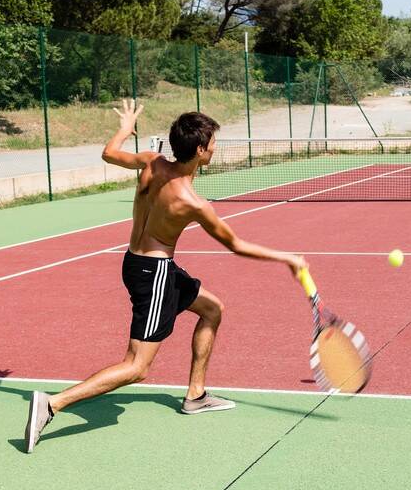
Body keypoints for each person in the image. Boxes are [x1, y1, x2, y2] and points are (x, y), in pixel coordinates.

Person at [24, 100, 306, 453]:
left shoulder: (150, 162)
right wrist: (287, 258)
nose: (215, 148)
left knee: (212, 309)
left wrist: (126, 128)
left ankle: (196, 395)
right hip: (154, 272)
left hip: (137, 262)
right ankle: (52, 405)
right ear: (200, 150)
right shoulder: (192, 202)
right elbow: (235, 245)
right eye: (213, 143)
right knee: (137, 367)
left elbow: (109, 153)